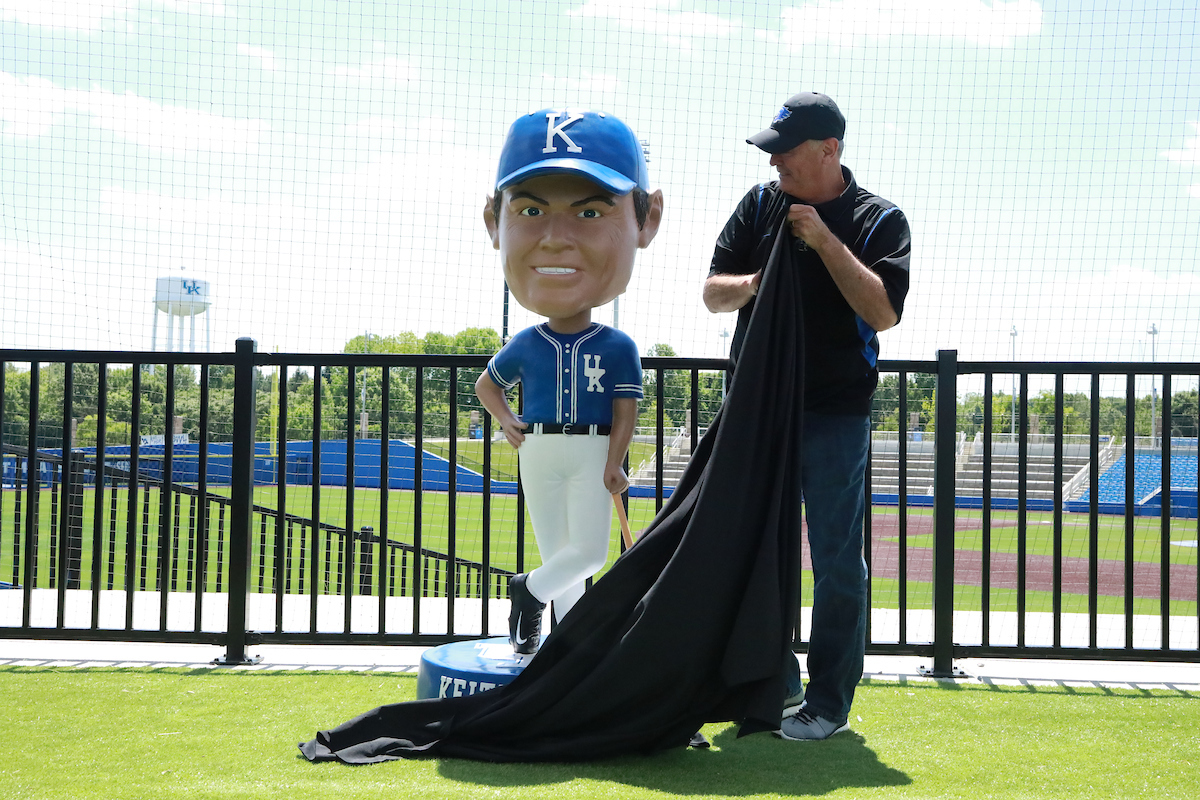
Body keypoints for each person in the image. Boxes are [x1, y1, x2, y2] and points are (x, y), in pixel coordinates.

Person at [704, 92, 912, 740]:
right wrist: (754, 284)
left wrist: (823, 240)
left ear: (829, 150)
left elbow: (883, 312)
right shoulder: (758, 204)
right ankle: (773, 680)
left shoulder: (880, 219)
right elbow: (712, 293)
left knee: (837, 559)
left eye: (785, 152)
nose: (774, 164)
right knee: (747, 548)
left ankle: (828, 703)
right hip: (757, 408)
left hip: (833, 412)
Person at [475, 109, 663, 654]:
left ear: (646, 218)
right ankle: (563, 647)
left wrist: (616, 460)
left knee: (588, 553)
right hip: (537, 443)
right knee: (561, 552)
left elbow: (625, 410)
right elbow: (488, 385)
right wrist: (507, 420)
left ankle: (528, 591)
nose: (556, 239)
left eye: (590, 211)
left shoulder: (617, 344)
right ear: (495, 219)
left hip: (590, 446)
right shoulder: (527, 341)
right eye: (531, 209)